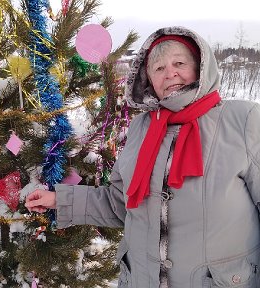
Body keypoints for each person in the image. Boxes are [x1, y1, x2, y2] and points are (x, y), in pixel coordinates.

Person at [25, 26, 260, 288]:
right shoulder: (141, 128)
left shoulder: (243, 120)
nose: (170, 73)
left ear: (201, 67)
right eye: (158, 68)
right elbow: (120, 204)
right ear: (148, 79)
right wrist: (59, 199)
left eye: (179, 63)